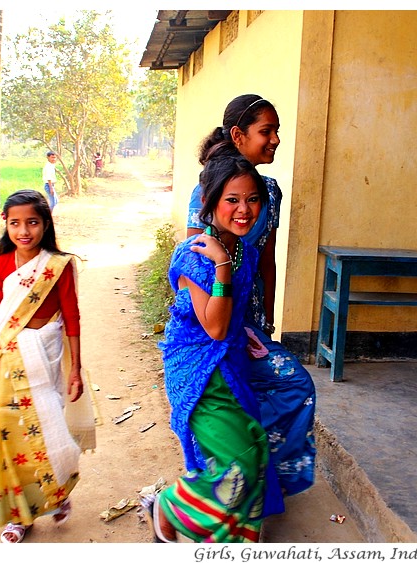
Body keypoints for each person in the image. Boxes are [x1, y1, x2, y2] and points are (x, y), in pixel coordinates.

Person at [144, 148, 284, 543]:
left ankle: (236, 540)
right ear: (210, 203)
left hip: (232, 364)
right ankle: (169, 506)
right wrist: (222, 265)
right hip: (197, 370)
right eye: (233, 200)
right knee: (235, 465)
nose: (245, 210)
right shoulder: (196, 255)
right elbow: (216, 326)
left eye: (253, 199)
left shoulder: (247, 250)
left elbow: (237, 320)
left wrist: (257, 336)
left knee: (254, 450)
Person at [187, 94, 316, 497]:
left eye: (278, 130)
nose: (276, 139)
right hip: (218, 320)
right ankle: (217, 488)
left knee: (283, 389)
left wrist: (267, 320)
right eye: (267, 131)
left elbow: (267, 260)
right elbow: (198, 268)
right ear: (239, 136)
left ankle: (258, 483)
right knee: (234, 400)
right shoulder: (208, 190)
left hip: (252, 317)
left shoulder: (271, 193)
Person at [0, 189, 95, 543]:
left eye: (32, 223)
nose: (24, 231)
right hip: (6, 358)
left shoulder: (58, 266)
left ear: (45, 224)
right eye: (15, 223)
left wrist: (75, 369)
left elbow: (72, 318)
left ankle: (55, 493)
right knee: (6, 436)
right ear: (5, 225)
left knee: (48, 427)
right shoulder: (0, 266)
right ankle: (18, 515)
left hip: (44, 356)